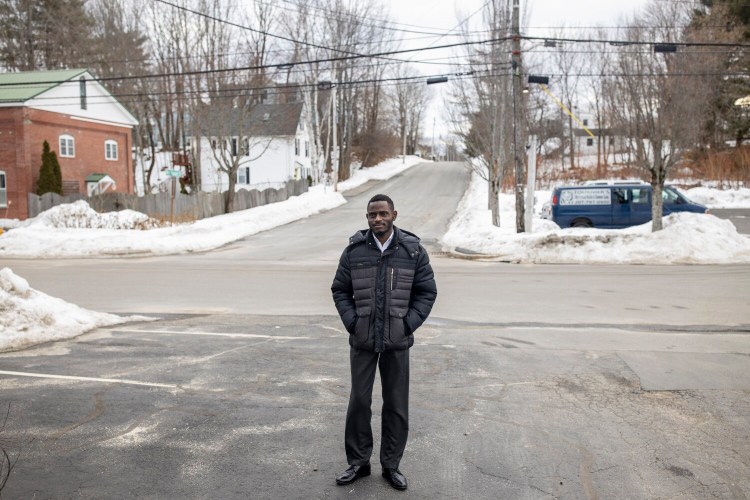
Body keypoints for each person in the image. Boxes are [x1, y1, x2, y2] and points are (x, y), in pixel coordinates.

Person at [331, 194, 437, 491]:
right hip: (363, 340)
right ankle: (359, 462)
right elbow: (340, 290)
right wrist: (353, 322)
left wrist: (406, 325)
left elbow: (427, 293)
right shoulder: (354, 251)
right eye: (372, 215)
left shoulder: (413, 250)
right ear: (367, 218)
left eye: (383, 213)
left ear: (394, 214)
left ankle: (391, 466)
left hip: (397, 341)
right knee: (360, 403)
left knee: (395, 405)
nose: (377, 219)